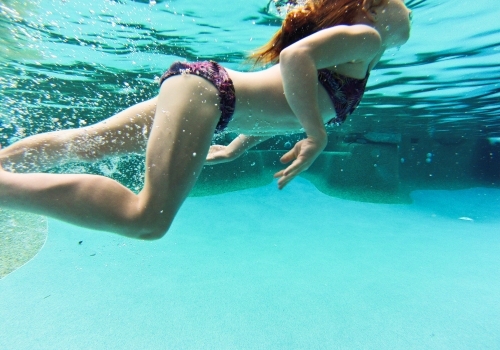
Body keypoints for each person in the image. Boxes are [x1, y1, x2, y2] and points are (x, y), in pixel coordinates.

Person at [0, 0, 412, 240]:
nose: (410, 10)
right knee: (147, 219)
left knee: (89, 144)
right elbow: (294, 58)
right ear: (372, 8)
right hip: (211, 98)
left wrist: (237, 145)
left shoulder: (359, 56)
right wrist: (315, 134)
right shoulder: (367, 36)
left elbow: (284, 104)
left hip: (206, 95)